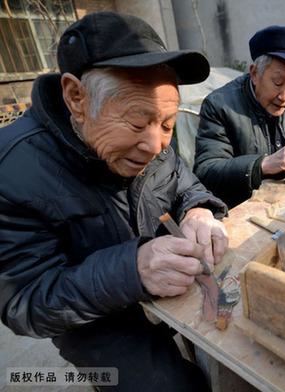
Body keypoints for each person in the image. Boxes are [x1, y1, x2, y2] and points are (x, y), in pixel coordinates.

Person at [0, 12, 229, 391]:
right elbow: (24, 303)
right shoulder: (13, 171)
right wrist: (132, 271)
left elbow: (184, 183)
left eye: (168, 124)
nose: (156, 146)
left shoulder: (153, 145)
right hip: (90, 320)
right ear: (76, 97)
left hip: (165, 287)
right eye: (138, 123)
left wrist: (199, 210)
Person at [193, 25, 285, 208]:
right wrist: (262, 164)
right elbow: (206, 171)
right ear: (255, 74)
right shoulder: (219, 105)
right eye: (277, 83)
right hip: (244, 210)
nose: (284, 96)